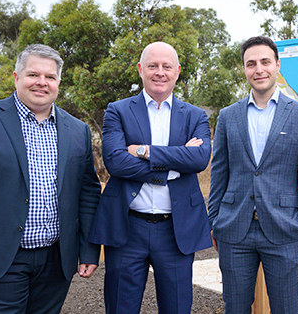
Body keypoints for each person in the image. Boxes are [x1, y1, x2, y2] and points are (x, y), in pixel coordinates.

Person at [0, 44, 102, 313]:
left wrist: (89, 249)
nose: (42, 83)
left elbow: (88, 193)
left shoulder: (77, 130)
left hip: (56, 260)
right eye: (33, 75)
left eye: (50, 77)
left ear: (59, 82)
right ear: (16, 77)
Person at [89, 41, 212, 314]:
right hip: (127, 228)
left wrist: (145, 152)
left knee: (177, 308)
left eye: (166, 66)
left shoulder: (195, 115)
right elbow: (116, 163)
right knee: (121, 308)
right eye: (152, 66)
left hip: (176, 230)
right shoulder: (118, 110)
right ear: (140, 70)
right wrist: (175, 163)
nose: (160, 72)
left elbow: (200, 160)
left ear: (177, 71)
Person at [208, 36, 298, 314]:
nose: (258, 69)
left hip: (284, 230)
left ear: (277, 65)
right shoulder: (227, 116)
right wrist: (215, 220)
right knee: (235, 308)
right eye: (251, 64)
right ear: (244, 69)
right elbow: (219, 174)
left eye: (264, 62)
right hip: (235, 231)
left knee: (286, 307)